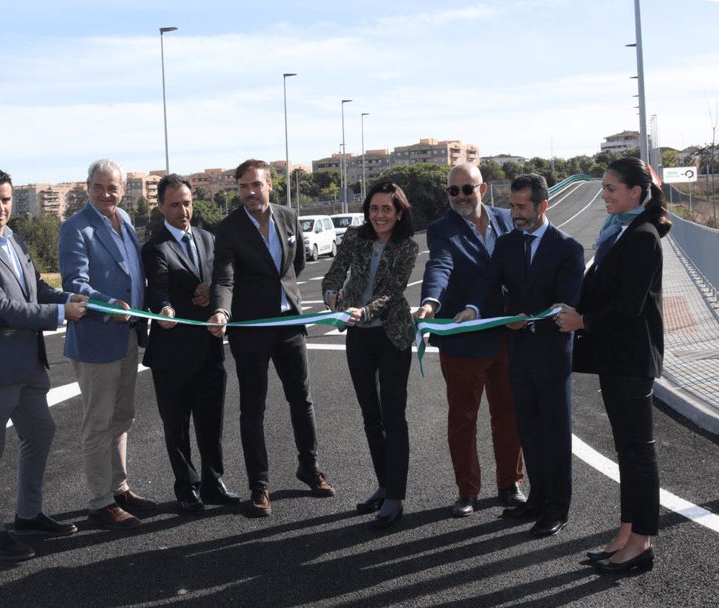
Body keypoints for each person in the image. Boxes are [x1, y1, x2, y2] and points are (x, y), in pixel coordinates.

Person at [0, 167, 87, 562]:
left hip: (28, 364)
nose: (0, 207)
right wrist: (61, 315)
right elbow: (0, 309)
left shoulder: (12, 239)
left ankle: (28, 515)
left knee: (40, 433)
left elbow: (35, 289)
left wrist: (71, 298)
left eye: (6, 199)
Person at [555, 157, 671, 575]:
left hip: (632, 359)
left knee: (638, 453)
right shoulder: (620, 231)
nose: (603, 195)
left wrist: (582, 321)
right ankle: (626, 534)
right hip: (618, 358)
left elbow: (628, 307)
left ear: (636, 192)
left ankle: (641, 544)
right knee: (627, 450)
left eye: (610, 188)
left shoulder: (642, 236)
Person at [456, 174, 584, 538]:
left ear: (543, 205)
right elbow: (489, 282)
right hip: (518, 353)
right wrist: (473, 308)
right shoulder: (507, 244)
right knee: (528, 428)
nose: (514, 214)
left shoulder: (568, 248)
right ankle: (537, 500)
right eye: (511, 206)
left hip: (551, 354)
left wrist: (529, 319)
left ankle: (557, 507)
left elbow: (566, 302)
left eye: (521, 207)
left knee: (555, 433)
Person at [209, 159, 335, 517]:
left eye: (256, 185)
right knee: (253, 409)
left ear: (270, 185)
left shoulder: (288, 217)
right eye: (243, 186)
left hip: (290, 323)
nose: (250, 192)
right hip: (251, 330)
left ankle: (309, 468)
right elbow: (224, 277)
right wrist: (222, 312)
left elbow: (296, 266)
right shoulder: (228, 229)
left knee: (302, 400)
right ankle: (259, 486)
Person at [415, 162, 525, 517]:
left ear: (484, 188)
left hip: (506, 335)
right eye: (453, 190)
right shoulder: (441, 229)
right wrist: (431, 302)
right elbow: (440, 266)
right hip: (462, 340)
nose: (460, 196)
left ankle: (510, 484)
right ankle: (467, 491)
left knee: (508, 414)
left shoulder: (507, 219)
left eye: (467, 189)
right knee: (463, 418)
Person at [59, 159, 157, 530]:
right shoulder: (75, 228)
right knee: (98, 423)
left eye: (112, 188)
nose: (105, 194)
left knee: (122, 417)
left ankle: (119, 488)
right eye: (98, 187)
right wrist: (109, 305)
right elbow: (75, 283)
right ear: (87, 188)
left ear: (123, 190)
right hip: (96, 338)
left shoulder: (125, 220)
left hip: (127, 334)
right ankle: (100, 502)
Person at [322, 182, 419, 530]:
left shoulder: (407, 246)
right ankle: (384, 485)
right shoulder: (354, 237)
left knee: (393, 415)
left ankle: (396, 496)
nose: (379, 215)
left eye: (386, 209)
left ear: (399, 213)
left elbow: (393, 291)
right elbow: (336, 271)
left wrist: (364, 311)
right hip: (358, 336)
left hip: (392, 335)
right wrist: (331, 294)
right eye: (373, 209)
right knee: (370, 416)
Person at [142, 174, 240, 514]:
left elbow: (225, 278)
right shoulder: (154, 248)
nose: (182, 211)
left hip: (210, 347)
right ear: (160, 207)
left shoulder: (208, 238)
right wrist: (164, 309)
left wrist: (212, 290)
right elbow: (157, 288)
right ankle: (187, 487)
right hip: (172, 352)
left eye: (186, 203)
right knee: (177, 425)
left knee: (211, 421)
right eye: (174, 205)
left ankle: (214, 482)